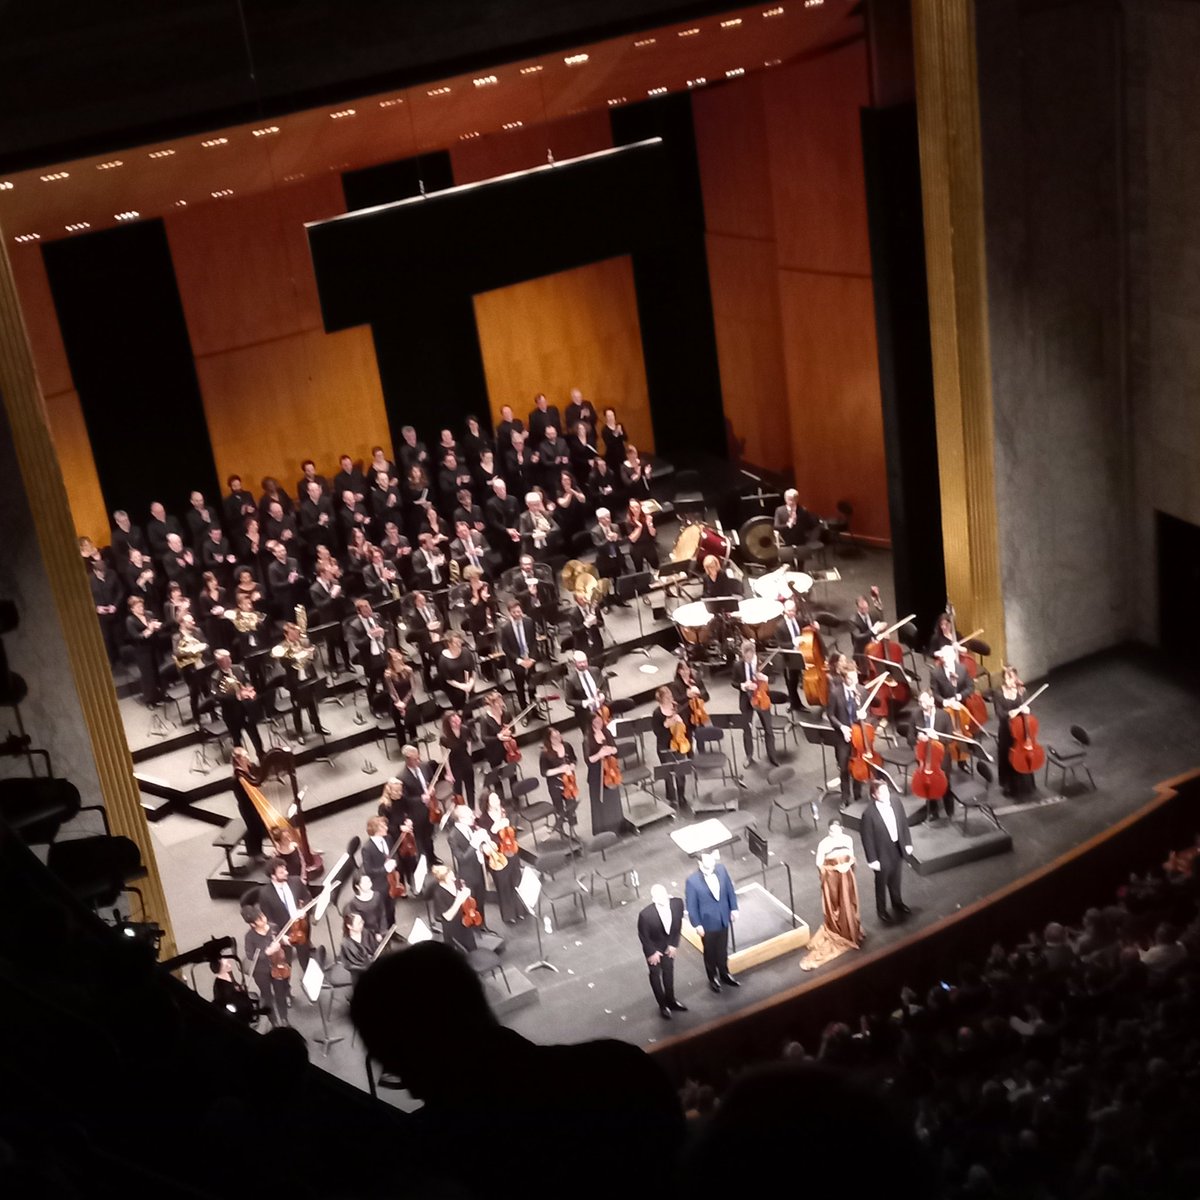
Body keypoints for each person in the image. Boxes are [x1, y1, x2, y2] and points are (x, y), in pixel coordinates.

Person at [349, 942, 685, 1200]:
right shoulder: (619, 1070)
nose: (411, 1090)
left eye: (401, 1070)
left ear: (427, 1054)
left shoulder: (424, 1163)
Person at [799, 819, 864, 970]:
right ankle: (838, 929)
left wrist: (847, 866)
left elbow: (852, 857)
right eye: (831, 830)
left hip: (846, 877)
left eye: (837, 829)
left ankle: (850, 929)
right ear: (829, 830)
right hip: (833, 880)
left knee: (849, 901)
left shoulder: (848, 839)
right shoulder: (824, 844)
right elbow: (819, 863)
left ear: (841, 828)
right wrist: (835, 869)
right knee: (835, 904)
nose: (834, 833)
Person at [859, 778, 913, 925]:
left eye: (886, 790)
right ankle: (881, 910)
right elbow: (867, 838)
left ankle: (897, 903)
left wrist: (907, 842)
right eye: (881, 792)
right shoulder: (868, 814)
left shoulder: (896, 802)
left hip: (897, 847)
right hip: (881, 852)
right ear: (874, 795)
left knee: (896, 878)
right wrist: (872, 860)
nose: (885, 794)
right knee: (881, 882)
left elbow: (903, 823)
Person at [684, 850, 739, 991]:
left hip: (723, 918)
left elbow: (729, 890)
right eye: (708, 866)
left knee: (722, 949)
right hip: (707, 923)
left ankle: (724, 973)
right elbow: (691, 905)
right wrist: (697, 924)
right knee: (710, 952)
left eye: (712, 865)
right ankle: (712, 977)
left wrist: (734, 908)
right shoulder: (692, 881)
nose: (711, 868)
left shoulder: (721, 869)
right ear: (700, 864)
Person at [637, 884, 689, 1020]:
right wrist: (652, 953)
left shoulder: (677, 903)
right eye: (659, 896)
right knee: (655, 975)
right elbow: (644, 936)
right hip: (654, 949)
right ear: (653, 899)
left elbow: (678, 925)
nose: (664, 898)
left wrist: (673, 944)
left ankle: (671, 1001)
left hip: (669, 946)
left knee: (669, 971)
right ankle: (662, 1005)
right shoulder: (645, 915)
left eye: (664, 894)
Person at [255, 859, 314, 971]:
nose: (286, 873)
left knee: (305, 955)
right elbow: (268, 919)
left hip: (301, 927)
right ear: (273, 876)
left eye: (285, 870)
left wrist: (304, 910)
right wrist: (281, 937)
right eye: (281, 872)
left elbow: (307, 897)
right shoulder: (265, 894)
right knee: (286, 962)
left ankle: (307, 973)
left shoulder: (296, 881)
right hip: (284, 932)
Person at [992, 664, 1038, 799]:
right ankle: (1009, 786)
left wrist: (1027, 710)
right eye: (1008, 679)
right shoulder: (999, 693)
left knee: (1022, 754)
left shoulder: (1021, 691)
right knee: (1007, 757)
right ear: (1004, 679)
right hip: (1006, 731)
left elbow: (1028, 709)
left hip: (1020, 731)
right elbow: (999, 713)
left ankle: (1026, 785)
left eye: (1013, 678)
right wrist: (1009, 713)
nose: (1011, 682)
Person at [731, 639, 779, 767]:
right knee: (746, 729)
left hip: (762, 698)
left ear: (753, 653)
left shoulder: (764, 662)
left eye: (749, 657)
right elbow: (734, 682)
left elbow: (774, 677)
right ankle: (749, 756)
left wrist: (766, 678)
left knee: (768, 729)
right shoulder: (737, 665)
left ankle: (772, 756)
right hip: (746, 699)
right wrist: (744, 685)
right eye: (744, 657)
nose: (747, 659)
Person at [480, 791, 524, 924]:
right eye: (493, 800)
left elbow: (513, 830)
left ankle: (521, 910)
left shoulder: (506, 811)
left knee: (516, 880)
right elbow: (486, 838)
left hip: (511, 850)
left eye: (497, 798)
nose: (497, 802)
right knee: (503, 885)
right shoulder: (483, 820)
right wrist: (495, 829)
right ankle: (508, 914)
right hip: (498, 856)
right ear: (487, 804)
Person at [827, 659, 866, 804]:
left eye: (855, 677)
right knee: (844, 769)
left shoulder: (861, 690)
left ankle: (858, 794)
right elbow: (830, 714)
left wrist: (865, 715)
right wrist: (842, 727)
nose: (854, 681)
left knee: (859, 765)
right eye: (850, 678)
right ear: (843, 678)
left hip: (859, 736)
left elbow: (869, 712)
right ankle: (845, 798)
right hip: (842, 738)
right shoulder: (835, 693)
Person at [912, 688, 955, 821]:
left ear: (932, 700)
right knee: (927, 783)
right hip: (924, 756)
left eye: (924, 702)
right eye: (920, 702)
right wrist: (918, 738)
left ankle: (950, 810)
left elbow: (950, 739)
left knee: (945, 783)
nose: (922, 705)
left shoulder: (944, 715)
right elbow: (909, 737)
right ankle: (933, 810)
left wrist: (936, 738)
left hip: (941, 757)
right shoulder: (915, 714)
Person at [211, 648, 264, 755]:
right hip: (231, 713)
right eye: (225, 660)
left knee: (254, 735)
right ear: (219, 663)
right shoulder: (216, 677)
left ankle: (261, 755)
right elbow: (217, 696)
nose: (229, 661)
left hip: (245, 709)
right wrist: (236, 695)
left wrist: (249, 689)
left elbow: (246, 681)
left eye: (229, 658)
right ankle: (242, 764)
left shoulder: (237, 669)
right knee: (237, 740)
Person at [243, 908, 291, 1027]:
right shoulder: (249, 937)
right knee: (267, 996)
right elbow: (250, 955)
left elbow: (281, 939)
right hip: (261, 972)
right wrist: (267, 952)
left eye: (262, 915)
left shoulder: (273, 927)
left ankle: (284, 1018)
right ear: (252, 924)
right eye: (259, 920)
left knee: (280, 993)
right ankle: (273, 1021)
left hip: (277, 966)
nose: (263, 919)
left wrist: (284, 940)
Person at [447, 804, 491, 929]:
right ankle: (475, 929)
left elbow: (477, 846)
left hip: (478, 869)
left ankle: (483, 925)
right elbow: (461, 858)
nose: (473, 817)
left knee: (481, 900)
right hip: (468, 875)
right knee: (472, 904)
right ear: (460, 819)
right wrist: (475, 844)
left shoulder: (471, 828)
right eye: (469, 816)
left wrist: (483, 845)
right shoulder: (452, 837)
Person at [399, 745, 440, 866]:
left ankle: (432, 857)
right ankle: (424, 862)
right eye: (415, 759)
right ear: (407, 760)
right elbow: (405, 800)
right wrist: (421, 799)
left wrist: (431, 789)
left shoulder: (424, 766)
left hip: (430, 808)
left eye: (418, 757)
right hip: (417, 813)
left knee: (430, 836)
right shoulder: (402, 777)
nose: (419, 760)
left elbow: (430, 781)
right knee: (421, 839)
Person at [584, 712, 623, 835]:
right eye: (596, 722)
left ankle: (617, 827)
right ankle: (602, 830)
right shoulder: (587, 739)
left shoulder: (607, 732)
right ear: (591, 724)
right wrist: (600, 754)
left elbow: (615, 749)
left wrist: (610, 749)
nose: (599, 724)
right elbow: (588, 759)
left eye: (600, 721)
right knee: (600, 803)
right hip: (596, 774)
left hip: (610, 770)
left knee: (613, 799)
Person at [652, 685, 690, 807]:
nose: (669, 697)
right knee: (668, 773)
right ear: (661, 699)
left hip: (679, 744)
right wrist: (665, 726)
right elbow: (657, 732)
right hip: (665, 746)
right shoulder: (657, 713)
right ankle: (672, 798)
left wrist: (680, 720)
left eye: (669, 695)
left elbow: (684, 726)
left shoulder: (675, 707)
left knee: (681, 771)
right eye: (666, 696)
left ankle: (681, 795)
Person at [230, 747, 269, 860]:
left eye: (247, 755)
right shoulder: (236, 778)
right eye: (245, 756)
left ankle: (259, 851)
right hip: (247, 807)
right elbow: (242, 797)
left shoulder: (251, 767)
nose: (248, 757)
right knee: (254, 828)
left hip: (255, 803)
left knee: (260, 826)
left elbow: (258, 778)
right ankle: (255, 853)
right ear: (238, 760)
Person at [499, 599, 538, 709]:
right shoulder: (505, 628)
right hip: (517, 662)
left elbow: (534, 641)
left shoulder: (529, 622)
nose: (517, 614)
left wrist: (532, 659)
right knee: (520, 687)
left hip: (529, 659)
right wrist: (519, 661)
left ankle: (534, 709)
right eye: (514, 612)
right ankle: (524, 710)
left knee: (532, 686)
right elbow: (505, 648)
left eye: (519, 611)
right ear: (509, 612)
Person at [539, 726, 579, 833]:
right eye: (554, 738)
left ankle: (572, 829)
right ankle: (560, 829)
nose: (557, 739)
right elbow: (544, 772)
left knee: (571, 806)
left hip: (569, 782)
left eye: (558, 736)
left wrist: (572, 766)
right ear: (549, 739)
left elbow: (574, 760)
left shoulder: (567, 746)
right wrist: (559, 769)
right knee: (559, 808)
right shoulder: (545, 753)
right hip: (555, 784)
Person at [124, 595, 163, 705]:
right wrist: (149, 630)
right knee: (148, 675)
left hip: (154, 647)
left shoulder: (149, 614)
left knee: (158, 672)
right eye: (138, 607)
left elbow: (157, 626)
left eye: (142, 606)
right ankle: (150, 700)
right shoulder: (130, 620)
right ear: (132, 609)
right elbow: (136, 637)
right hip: (142, 651)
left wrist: (157, 627)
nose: (141, 608)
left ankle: (162, 694)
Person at [361, 814, 397, 925]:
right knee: (384, 911)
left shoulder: (388, 838)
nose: (386, 828)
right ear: (375, 830)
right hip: (379, 885)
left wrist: (395, 862)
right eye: (383, 827)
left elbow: (394, 854)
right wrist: (385, 869)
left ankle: (393, 929)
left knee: (392, 908)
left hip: (392, 880)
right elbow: (369, 870)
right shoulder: (367, 848)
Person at [381, 648, 418, 746]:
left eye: (398, 655)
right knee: (399, 727)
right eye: (394, 657)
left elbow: (413, 687)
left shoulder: (408, 670)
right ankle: (403, 747)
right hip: (396, 703)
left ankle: (415, 746)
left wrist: (405, 702)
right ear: (391, 660)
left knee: (412, 725)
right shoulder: (388, 674)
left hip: (408, 701)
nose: (397, 658)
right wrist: (399, 703)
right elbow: (391, 690)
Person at [440, 710, 476, 811]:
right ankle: (462, 812)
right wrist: (449, 773)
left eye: (457, 718)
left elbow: (469, 744)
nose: (456, 721)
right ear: (448, 724)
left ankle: (472, 810)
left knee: (470, 789)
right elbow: (445, 757)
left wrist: (468, 756)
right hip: (454, 765)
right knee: (458, 792)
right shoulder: (444, 738)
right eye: (453, 721)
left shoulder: (465, 729)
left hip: (466, 762)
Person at [563, 650, 608, 728]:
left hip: (601, 709)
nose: (583, 664)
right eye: (580, 663)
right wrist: (584, 703)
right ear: (574, 663)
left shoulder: (595, 670)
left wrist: (602, 694)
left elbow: (603, 684)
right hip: (585, 714)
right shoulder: (570, 679)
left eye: (584, 661)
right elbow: (568, 700)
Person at [438, 632, 476, 713]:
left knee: (469, 710)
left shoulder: (466, 652)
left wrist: (470, 684)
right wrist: (462, 686)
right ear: (449, 644)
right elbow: (447, 679)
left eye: (460, 641)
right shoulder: (443, 660)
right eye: (456, 643)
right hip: (455, 691)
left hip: (468, 686)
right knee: (460, 712)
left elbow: (472, 670)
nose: (459, 644)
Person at [623, 498, 659, 573]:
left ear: (640, 507)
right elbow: (633, 539)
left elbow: (653, 534)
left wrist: (650, 525)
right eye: (632, 507)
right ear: (630, 508)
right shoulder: (628, 521)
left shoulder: (647, 517)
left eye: (637, 507)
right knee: (639, 569)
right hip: (636, 547)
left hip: (648, 544)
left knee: (656, 565)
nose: (635, 509)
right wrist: (639, 527)